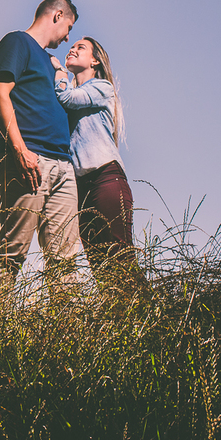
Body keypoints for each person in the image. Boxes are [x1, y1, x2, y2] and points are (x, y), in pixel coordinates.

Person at [0, 0, 80, 298]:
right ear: (58, 15)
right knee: (13, 252)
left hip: (63, 167)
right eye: (69, 27)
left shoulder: (51, 64)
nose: (68, 39)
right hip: (30, 160)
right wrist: (19, 150)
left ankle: (67, 336)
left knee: (64, 263)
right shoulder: (17, 42)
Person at [51, 37, 142, 287]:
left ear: (95, 60)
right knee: (100, 267)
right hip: (80, 188)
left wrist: (59, 70)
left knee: (120, 259)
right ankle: (121, 322)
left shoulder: (102, 88)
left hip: (106, 179)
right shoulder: (70, 91)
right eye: (72, 46)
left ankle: (153, 320)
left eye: (80, 48)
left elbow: (67, 98)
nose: (72, 49)